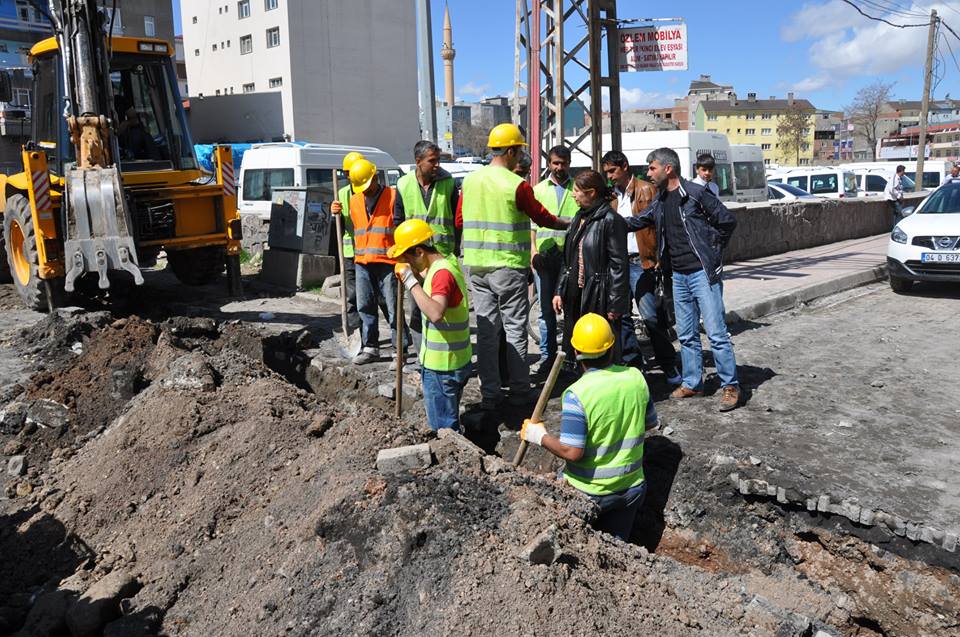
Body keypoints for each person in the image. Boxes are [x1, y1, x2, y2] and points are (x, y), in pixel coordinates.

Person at [457, 123, 570, 409]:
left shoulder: (470, 181)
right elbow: (543, 218)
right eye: (519, 150)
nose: (520, 156)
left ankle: (491, 393)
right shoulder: (515, 184)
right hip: (507, 267)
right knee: (516, 328)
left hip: (476, 267)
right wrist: (570, 222)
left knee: (486, 330)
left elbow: (459, 222)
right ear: (510, 150)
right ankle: (520, 389)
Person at [623, 148, 741, 412]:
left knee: (716, 333)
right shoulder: (661, 198)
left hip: (702, 273)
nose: (648, 173)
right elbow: (640, 220)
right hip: (677, 275)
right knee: (686, 334)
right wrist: (610, 221)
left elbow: (726, 221)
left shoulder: (696, 194)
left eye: (652, 168)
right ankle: (692, 383)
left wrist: (712, 251)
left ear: (668, 169)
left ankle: (730, 385)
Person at [519, 313, 650, 541]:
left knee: (575, 546)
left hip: (589, 492)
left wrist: (539, 435)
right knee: (620, 552)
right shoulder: (636, 378)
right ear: (611, 348)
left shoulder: (578, 393)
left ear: (577, 353)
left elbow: (573, 453)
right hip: (632, 488)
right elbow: (649, 423)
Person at [602, 150, 681, 385]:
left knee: (651, 317)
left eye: (613, 171)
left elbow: (658, 225)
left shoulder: (648, 190)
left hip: (641, 262)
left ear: (624, 166)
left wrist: (658, 258)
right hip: (616, 264)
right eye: (606, 173)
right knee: (621, 316)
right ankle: (635, 366)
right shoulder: (609, 196)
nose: (610, 177)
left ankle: (668, 365)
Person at [389, 219, 472, 431]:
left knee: (443, 429)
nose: (409, 264)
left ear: (419, 252)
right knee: (449, 421)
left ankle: (451, 461)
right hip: (454, 362)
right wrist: (414, 273)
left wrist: (410, 281)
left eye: (408, 258)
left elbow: (436, 312)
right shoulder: (446, 262)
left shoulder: (442, 274)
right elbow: (430, 275)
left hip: (442, 367)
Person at [331, 159, 411, 365]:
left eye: (367, 186)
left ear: (375, 177)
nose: (364, 191)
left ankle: (399, 350)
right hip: (362, 261)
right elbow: (348, 229)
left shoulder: (393, 197)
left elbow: (401, 227)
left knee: (393, 307)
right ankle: (370, 347)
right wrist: (336, 215)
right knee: (365, 305)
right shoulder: (355, 200)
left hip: (388, 261)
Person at [552, 170, 629, 364]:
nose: (573, 194)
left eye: (577, 191)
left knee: (600, 347)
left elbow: (619, 265)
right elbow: (567, 259)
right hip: (575, 294)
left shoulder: (611, 221)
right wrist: (559, 290)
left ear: (592, 192)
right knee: (577, 344)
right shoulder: (579, 217)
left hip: (599, 296)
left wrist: (615, 303)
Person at [395, 141, 460, 362]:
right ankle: (424, 355)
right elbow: (397, 221)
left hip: (442, 258)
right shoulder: (403, 185)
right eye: (432, 160)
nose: (437, 165)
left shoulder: (448, 183)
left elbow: (457, 221)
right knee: (417, 309)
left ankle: (447, 355)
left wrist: (456, 251)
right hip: (416, 261)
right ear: (418, 161)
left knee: (444, 309)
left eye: (438, 160)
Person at [531, 146, 579, 375]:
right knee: (545, 311)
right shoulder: (539, 189)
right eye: (555, 163)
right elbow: (531, 225)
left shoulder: (577, 189)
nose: (559, 168)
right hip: (543, 256)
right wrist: (532, 252)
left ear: (569, 163)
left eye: (563, 163)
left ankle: (569, 357)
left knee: (570, 307)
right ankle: (547, 357)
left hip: (568, 257)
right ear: (549, 164)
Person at [337, 151, 364, 331]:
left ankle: (399, 338)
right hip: (349, 253)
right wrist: (335, 215)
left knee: (381, 298)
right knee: (352, 296)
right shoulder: (342, 193)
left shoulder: (370, 190)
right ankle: (356, 334)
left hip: (371, 252)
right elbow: (339, 227)